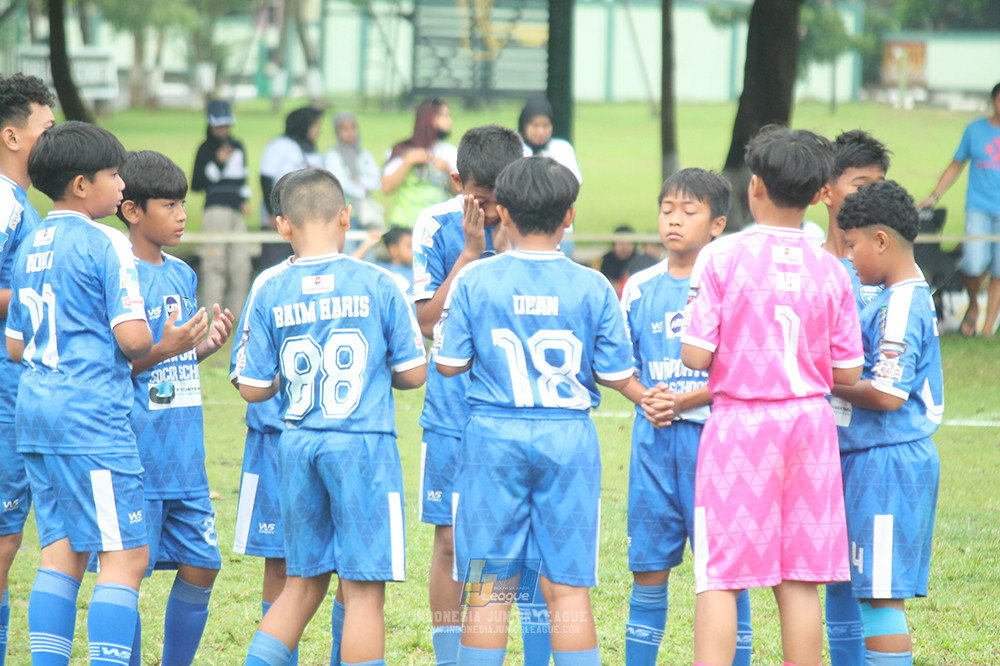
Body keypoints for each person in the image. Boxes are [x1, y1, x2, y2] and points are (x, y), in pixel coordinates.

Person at [435, 156, 647, 665]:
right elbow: (618, 374)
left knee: (490, 589)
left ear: (501, 213)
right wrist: (650, 398)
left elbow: (448, 364)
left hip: (493, 436)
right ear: (569, 216)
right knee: (568, 591)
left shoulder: (475, 281)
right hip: (567, 437)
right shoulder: (594, 285)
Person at [680, 125, 864, 666]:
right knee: (800, 576)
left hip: (741, 423)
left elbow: (695, 357)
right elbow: (849, 368)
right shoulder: (832, 268)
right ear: (816, 195)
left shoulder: (721, 257)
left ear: (753, 186)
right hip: (810, 423)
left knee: (720, 575)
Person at [236, 168, 427, 666]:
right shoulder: (381, 281)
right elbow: (413, 373)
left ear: (282, 226)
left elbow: (253, 388)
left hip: (296, 443)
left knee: (301, 586)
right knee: (363, 592)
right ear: (346, 215)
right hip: (362, 444)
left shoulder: (269, 285)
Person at [7, 121, 153, 665]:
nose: (122, 186)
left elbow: (17, 347)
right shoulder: (107, 241)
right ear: (81, 185)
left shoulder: (31, 243)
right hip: (91, 420)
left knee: (61, 551)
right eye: (114, 175)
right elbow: (133, 340)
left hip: (36, 416)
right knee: (126, 557)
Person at [620, 169, 753, 666]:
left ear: (717, 224)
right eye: (667, 209)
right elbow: (617, 362)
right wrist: (644, 397)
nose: (674, 220)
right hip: (653, 446)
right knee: (648, 571)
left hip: (714, 445)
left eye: (689, 211)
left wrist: (684, 401)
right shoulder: (638, 286)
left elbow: (741, 369)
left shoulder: (731, 285)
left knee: (723, 575)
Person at [409, 125, 524, 666]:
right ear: (459, 183)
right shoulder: (434, 225)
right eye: (483, 199)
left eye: (503, 199)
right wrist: (472, 253)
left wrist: (505, 246)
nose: (496, 209)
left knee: (501, 544)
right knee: (450, 543)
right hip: (452, 414)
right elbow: (428, 323)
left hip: (512, 414)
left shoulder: (532, 218)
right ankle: (448, 655)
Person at [114, 150, 234, 664]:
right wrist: (163, 350)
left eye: (184, 203)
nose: (182, 214)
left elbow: (171, 358)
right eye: (169, 204)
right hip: (139, 455)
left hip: (186, 455)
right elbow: (117, 367)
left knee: (203, 564)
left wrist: (202, 348)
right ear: (133, 211)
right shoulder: (117, 273)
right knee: (129, 573)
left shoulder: (183, 274)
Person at [833, 180, 943, 666]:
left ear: (881, 240)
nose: (850, 258)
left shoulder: (900, 304)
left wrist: (817, 375)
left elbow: (885, 393)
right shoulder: (892, 295)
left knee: (881, 596)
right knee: (867, 591)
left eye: (853, 245)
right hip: (874, 460)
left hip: (888, 464)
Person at [819, 128, 892, 666]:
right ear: (824, 191)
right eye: (860, 183)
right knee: (827, 570)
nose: (872, 195)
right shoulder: (803, 263)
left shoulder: (887, 274)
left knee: (867, 578)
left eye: (880, 185)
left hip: (869, 451)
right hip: (813, 442)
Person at [0, 71, 55, 665]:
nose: (53, 139)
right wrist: (49, 297)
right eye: (46, 128)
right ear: (13, 137)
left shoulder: (20, 204)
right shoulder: (3, 201)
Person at [918, 82, 1000, 337]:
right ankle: (974, 305)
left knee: (999, 269)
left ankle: (987, 329)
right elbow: (956, 164)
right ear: (993, 100)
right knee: (973, 263)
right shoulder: (975, 130)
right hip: (979, 208)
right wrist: (935, 195)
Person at [191, 99, 253, 320]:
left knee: (240, 265)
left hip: (236, 211)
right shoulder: (205, 149)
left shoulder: (238, 146)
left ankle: (237, 315)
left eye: (226, 125)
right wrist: (217, 162)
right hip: (215, 211)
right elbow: (196, 183)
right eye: (219, 125)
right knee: (215, 264)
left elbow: (242, 178)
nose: (223, 130)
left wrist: (244, 200)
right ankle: (211, 313)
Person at [259, 106, 324, 269]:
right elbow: (265, 179)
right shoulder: (280, 146)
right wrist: (272, 213)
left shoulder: (312, 149)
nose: (318, 130)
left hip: (306, 219)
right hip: (281, 216)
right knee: (277, 263)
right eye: (315, 125)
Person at [518, 97, 582, 258]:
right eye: (535, 125)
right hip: (524, 230)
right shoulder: (517, 149)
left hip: (561, 231)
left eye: (545, 126)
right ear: (524, 124)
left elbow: (574, 184)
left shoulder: (562, 148)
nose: (540, 132)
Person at [382, 97, 457, 228]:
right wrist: (408, 162)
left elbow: (459, 193)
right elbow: (387, 187)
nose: (450, 121)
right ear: (429, 119)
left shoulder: (449, 152)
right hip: (405, 225)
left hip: (436, 226)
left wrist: (448, 170)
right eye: (445, 116)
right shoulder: (402, 150)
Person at [351, 226, 414, 299]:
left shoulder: (418, 271)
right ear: (393, 249)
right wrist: (367, 244)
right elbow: (349, 267)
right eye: (409, 246)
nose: (413, 250)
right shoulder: (380, 270)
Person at [598, 224, 637, 296]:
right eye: (621, 243)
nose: (624, 248)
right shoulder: (604, 261)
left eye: (629, 244)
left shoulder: (638, 261)